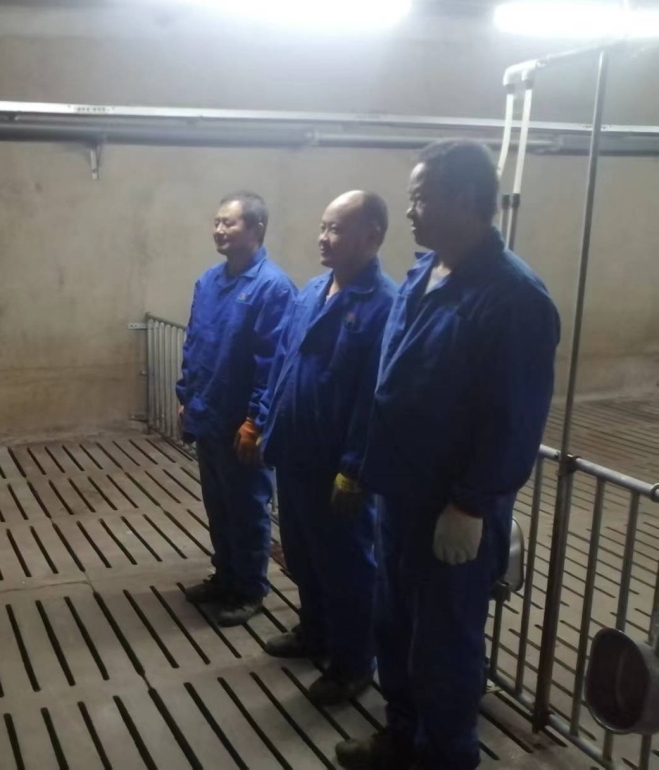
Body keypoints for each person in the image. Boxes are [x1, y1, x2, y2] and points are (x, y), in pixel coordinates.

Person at [335, 141, 560, 770]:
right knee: (395, 627)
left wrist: (471, 505)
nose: (409, 210)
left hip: (449, 508)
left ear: (462, 200)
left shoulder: (514, 296)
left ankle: (445, 756)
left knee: (444, 644)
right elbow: (392, 382)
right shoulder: (423, 274)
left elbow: (514, 418)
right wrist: (364, 463)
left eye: (420, 197)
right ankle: (402, 734)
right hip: (399, 494)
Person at [260, 190, 396, 705]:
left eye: (336, 229)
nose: (323, 238)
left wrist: (354, 468)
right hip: (295, 452)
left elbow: (374, 396)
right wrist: (268, 423)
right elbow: (286, 361)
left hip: (335, 464)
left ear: (372, 236)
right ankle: (314, 631)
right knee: (303, 554)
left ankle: (353, 664)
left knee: (347, 567)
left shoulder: (384, 304)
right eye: (323, 227)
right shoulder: (314, 289)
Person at [176, 191, 295, 626]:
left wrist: (255, 421)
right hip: (209, 414)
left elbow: (272, 363)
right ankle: (225, 575)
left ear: (257, 228)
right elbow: (195, 343)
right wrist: (185, 395)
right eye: (217, 222)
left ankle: (249, 589)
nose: (219, 230)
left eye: (230, 222)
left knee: (247, 508)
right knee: (219, 504)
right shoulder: (208, 282)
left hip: (242, 422)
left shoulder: (273, 288)